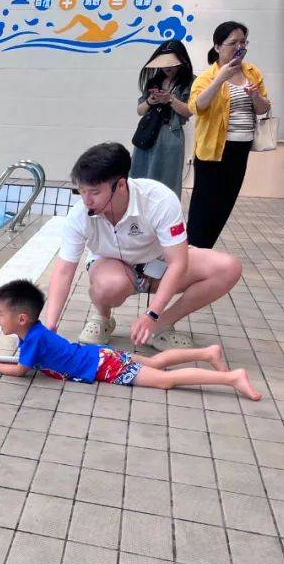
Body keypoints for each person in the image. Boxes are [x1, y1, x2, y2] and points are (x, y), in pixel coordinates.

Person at [44, 142, 241, 351]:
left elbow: (178, 262)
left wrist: (153, 313)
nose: (86, 201)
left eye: (94, 192)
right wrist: (50, 325)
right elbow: (64, 271)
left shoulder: (158, 200)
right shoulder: (79, 215)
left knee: (228, 268)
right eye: (81, 191)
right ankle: (103, 318)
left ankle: (162, 324)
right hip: (112, 266)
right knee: (109, 285)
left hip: (159, 263)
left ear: (120, 185)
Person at [0, 279, 261, 400]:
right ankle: (208, 353)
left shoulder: (31, 340)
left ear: (21, 318)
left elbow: (21, 371)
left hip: (104, 368)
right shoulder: (34, 333)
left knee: (165, 380)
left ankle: (232, 378)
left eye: (0, 314)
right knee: (156, 361)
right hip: (99, 355)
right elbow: (25, 362)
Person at [187, 21, 271, 249]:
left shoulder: (252, 73)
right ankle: (192, 251)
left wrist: (255, 96)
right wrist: (220, 79)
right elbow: (197, 107)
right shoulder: (208, 76)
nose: (239, 47)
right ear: (217, 46)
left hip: (240, 150)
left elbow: (264, 108)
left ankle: (205, 251)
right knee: (204, 206)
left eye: (243, 42)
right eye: (233, 42)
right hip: (213, 152)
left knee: (224, 204)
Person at [130, 40, 195, 195]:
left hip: (171, 134)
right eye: (164, 63)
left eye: (171, 63)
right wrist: (150, 101)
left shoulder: (190, 82)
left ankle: (166, 216)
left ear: (181, 61)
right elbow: (140, 110)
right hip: (147, 133)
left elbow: (189, 111)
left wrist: (170, 99)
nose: (167, 67)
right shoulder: (154, 81)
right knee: (141, 176)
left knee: (167, 180)